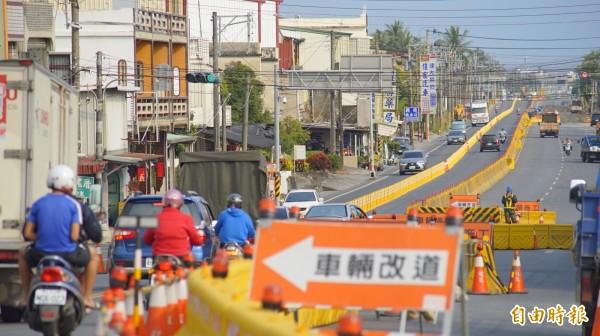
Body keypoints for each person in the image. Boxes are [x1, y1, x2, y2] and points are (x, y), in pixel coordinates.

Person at [18, 165, 91, 307]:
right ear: (69, 184)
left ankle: (26, 296)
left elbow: (27, 233)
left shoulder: (38, 203)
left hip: (41, 253)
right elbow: (75, 236)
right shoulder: (73, 204)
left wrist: (41, 238)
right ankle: (87, 297)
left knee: (22, 253)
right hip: (68, 253)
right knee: (93, 256)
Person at [143, 189, 206, 258]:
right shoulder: (186, 219)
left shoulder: (155, 218)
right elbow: (196, 240)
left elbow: (147, 240)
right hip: (181, 256)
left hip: (159, 256)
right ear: (180, 204)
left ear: (164, 203)